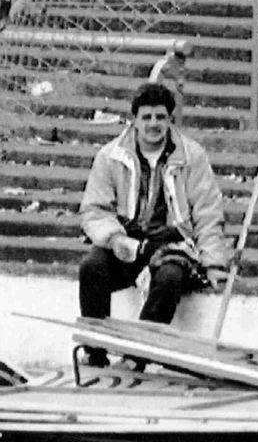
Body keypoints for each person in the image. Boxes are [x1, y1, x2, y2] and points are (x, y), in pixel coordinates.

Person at [76, 81, 229, 366]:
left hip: (173, 243)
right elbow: (94, 211)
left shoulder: (192, 156)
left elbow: (208, 213)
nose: (153, 124)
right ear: (134, 120)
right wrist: (113, 238)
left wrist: (214, 264)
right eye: (146, 117)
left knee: (170, 278)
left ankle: (138, 356)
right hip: (126, 241)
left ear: (170, 119)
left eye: (160, 117)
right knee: (91, 267)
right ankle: (95, 352)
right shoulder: (110, 156)